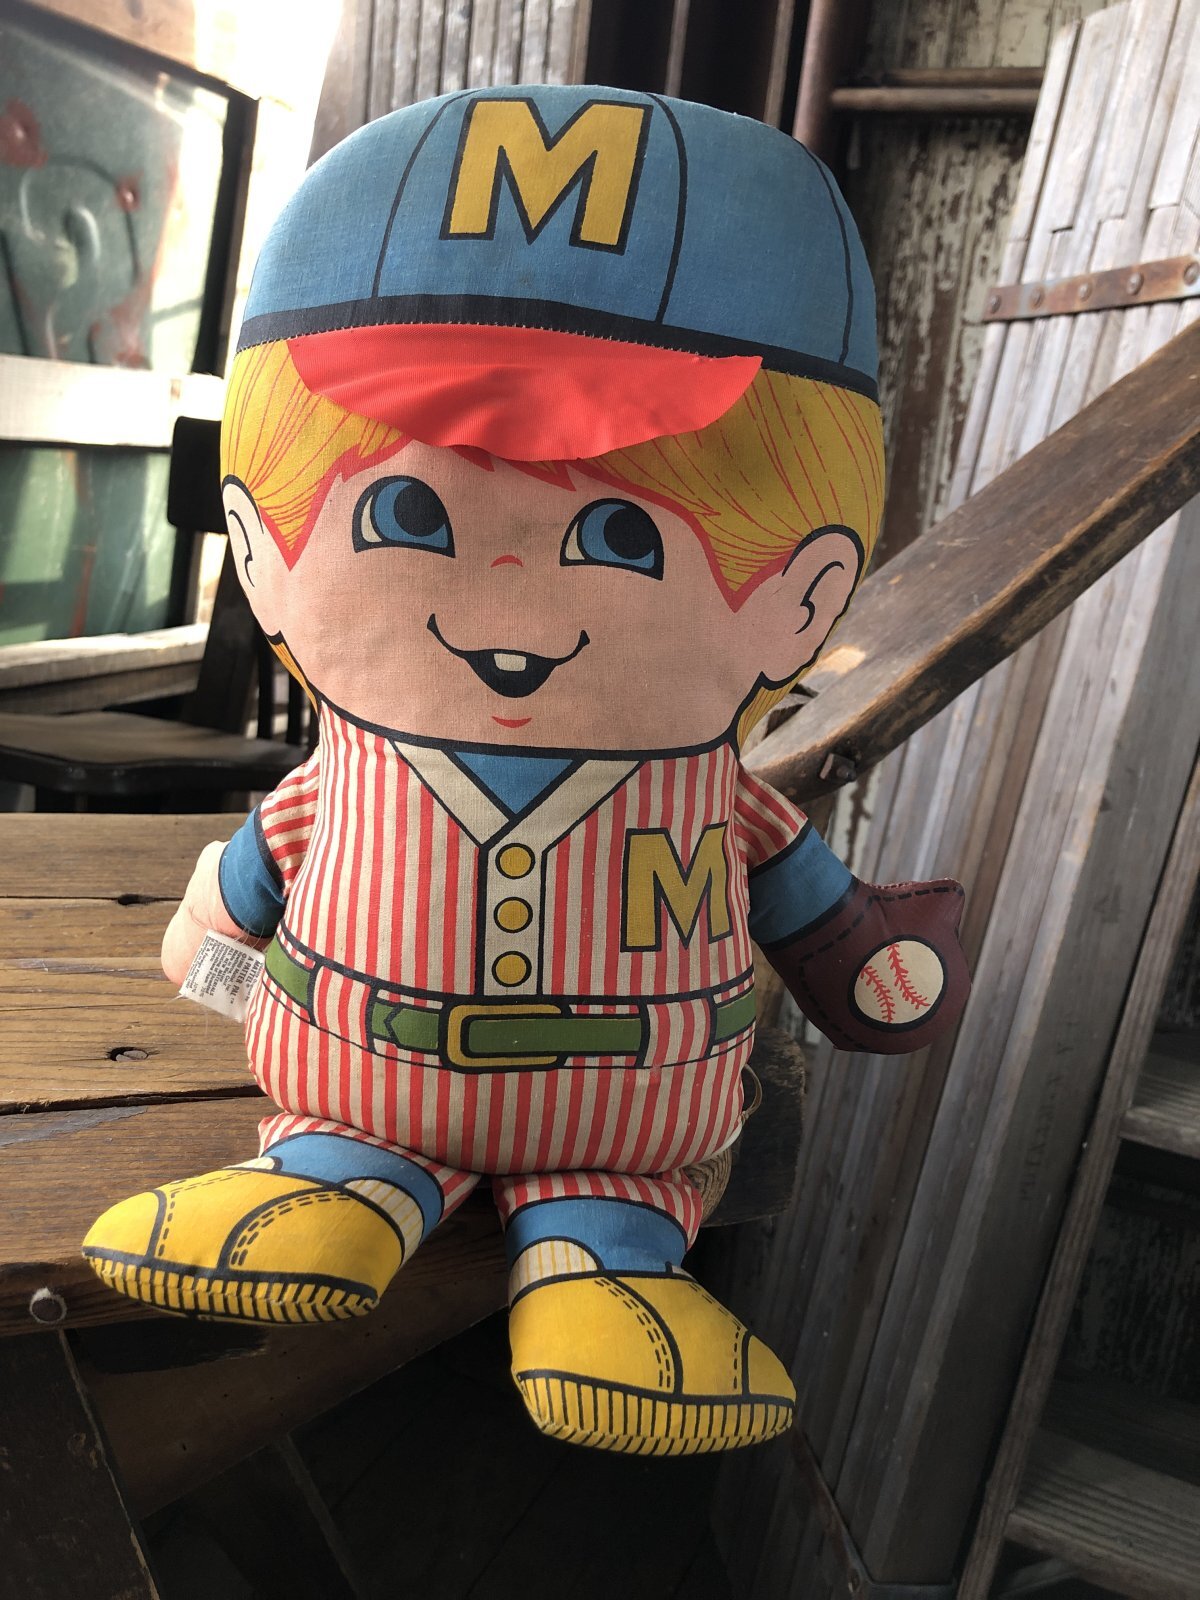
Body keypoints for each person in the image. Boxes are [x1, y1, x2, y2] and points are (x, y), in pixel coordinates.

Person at [84, 86, 968, 1456]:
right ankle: (337, 1174)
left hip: (631, 1122)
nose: (506, 599)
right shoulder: (342, 781)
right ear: (262, 547)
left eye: (625, 534)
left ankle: (606, 1250)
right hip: (359, 1074)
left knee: (609, 1217)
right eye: (407, 510)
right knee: (333, 1167)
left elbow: (818, 912)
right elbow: (229, 918)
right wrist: (212, 951)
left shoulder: (724, 805)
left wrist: (865, 959)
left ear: (806, 589)